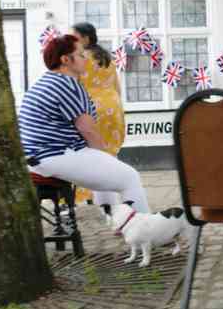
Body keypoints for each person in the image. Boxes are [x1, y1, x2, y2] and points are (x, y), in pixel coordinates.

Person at [19, 34, 151, 213]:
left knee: (103, 164)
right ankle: (144, 228)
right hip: (54, 155)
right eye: (81, 55)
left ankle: (113, 216)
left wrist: (105, 160)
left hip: (36, 157)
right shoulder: (68, 84)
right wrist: (107, 158)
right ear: (66, 59)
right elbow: (87, 130)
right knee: (130, 177)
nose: (86, 59)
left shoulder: (45, 82)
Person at [72, 22, 126, 208]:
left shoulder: (80, 58)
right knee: (108, 153)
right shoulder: (107, 57)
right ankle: (112, 196)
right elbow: (117, 87)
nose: (73, 40)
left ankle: (90, 196)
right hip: (112, 106)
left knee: (89, 153)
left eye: (76, 36)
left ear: (86, 38)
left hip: (92, 107)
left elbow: (76, 85)